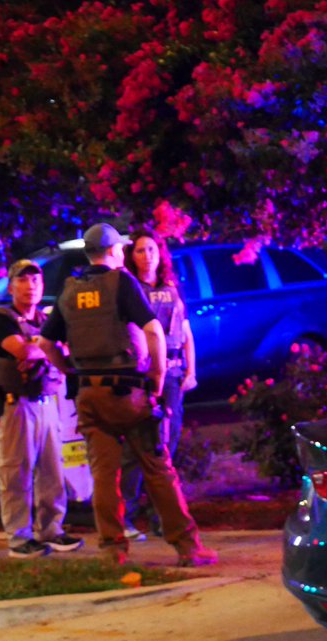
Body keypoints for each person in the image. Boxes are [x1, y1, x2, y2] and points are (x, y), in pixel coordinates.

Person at [35, 223, 218, 567]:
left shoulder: (70, 290)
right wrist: (158, 377)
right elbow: (153, 331)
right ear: (115, 251)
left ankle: (113, 552)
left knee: (104, 474)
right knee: (157, 467)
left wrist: (69, 371)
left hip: (89, 395)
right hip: (129, 392)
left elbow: (46, 343)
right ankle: (188, 548)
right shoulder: (122, 282)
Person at [0, 259, 84, 558]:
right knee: (15, 473)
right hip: (17, 405)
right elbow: (23, 350)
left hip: (47, 403)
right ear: (11, 285)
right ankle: (19, 538)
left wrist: (39, 346)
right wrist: (44, 348)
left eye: (35, 281)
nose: (30, 286)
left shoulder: (45, 319)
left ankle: (51, 530)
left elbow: (64, 350)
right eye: (23, 280)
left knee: (52, 472)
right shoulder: (2, 319)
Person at [120, 230, 196, 540]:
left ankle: (160, 515)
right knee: (136, 447)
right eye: (140, 250)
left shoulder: (173, 289)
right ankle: (126, 514)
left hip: (174, 376)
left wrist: (191, 370)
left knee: (167, 444)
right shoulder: (128, 289)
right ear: (132, 256)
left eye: (152, 249)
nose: (147, 255)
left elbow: (187, 333)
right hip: (142, 376)